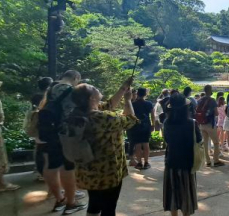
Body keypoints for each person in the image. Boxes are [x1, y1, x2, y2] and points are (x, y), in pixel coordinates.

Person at [69, 81, 137, 216]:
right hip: (107, 172)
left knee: (94, 204)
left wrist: (122, 89)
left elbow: (109, 105)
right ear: (91, 98)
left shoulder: (77, 114)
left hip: (88, 169)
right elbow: (131, 120)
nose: (97, 88)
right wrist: (128, 101)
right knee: (109, 208)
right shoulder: (103, 118)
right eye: (94, 88)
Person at [40, 70, 87, 214]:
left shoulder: (51, 88)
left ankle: (59, 199)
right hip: (64, 134)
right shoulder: (71, 90)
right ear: (75, 78)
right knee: (68, 168)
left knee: (52, 166)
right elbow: (71, 114)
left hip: (48, 132)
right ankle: (71, 203)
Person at [163, 93, 203, 216]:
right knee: (187, 198)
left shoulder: (166, 123)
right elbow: (199, 140)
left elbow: (167, 140)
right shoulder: (192, 123)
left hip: (171, 162)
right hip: (187, 164)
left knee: (173, 197)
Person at [198, 85, 224, 167]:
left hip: (202, 124)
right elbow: (216, 113)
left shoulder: (200, 100)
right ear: (210, 91)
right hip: (210, 124)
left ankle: (207, 161)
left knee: (205, 143)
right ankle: (216, 160)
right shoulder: (212, 100)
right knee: (216, 142)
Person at [129, 88, 156, 170]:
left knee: (137, 145)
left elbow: (130, 115)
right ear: (145, 94)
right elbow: (152, 115)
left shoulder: (133, 104)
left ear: (137, 93)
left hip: (136, 126)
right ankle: (147, 162)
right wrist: (153, 125)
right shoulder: (149, 103)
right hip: (146, 126)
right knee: (146, 144)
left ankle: (140, 163)